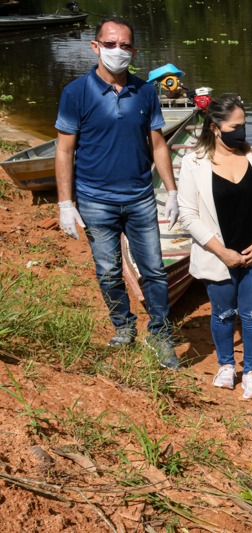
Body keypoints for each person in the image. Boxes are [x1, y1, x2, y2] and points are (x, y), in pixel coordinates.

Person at [55, 17, 181, 370]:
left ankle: (160, 334)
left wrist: (172, 191)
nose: (117, 51)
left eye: (125, 45)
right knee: (109, 271)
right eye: (110, 44)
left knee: (154, 271)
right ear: (95, 46)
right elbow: (64, 150)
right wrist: (65, 203)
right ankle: (124, 327)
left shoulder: (145, 92)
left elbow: (158, 144)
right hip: (95, 199)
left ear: (134, 52)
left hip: (140, 197)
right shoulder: (76, 92)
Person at [177, 94, 252, 400]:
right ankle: (226, 365)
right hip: (218, 256)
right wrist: (222, 252)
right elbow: (188, 215)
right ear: (214, 127)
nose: (241, 131)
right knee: (222, 314)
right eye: (235, 127)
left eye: (243, 124)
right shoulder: (194, 164)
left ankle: (250, 372)